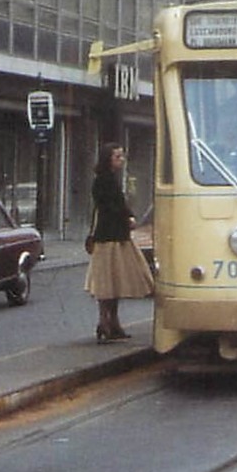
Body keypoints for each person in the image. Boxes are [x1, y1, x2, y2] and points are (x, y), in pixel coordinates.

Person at [85, 143, 154, 341]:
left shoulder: (110, 180)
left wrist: (128, 216)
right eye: (117, 156)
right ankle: (106, 322)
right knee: (108, 282)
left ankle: (112, 323)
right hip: (108, 237)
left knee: (114, 282)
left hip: (116, 236)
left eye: (122, 156)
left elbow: (120, 204)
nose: (121, 160)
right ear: (108, 158)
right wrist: (127, 218)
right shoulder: (103, 181)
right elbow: (109, 207)